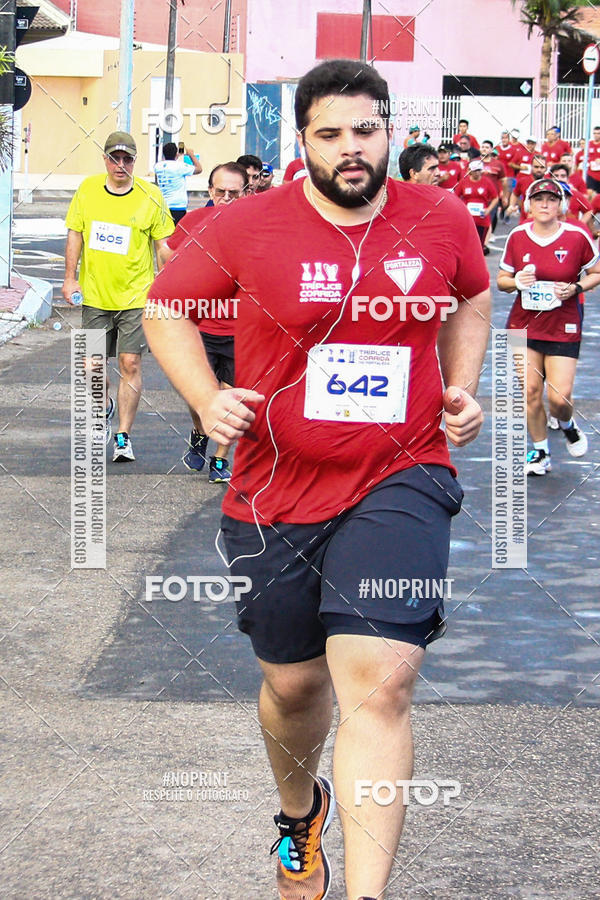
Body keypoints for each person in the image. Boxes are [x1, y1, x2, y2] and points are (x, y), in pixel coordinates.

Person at [144, 58, 490, 900]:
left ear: (389, 132)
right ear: (302, 141)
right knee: (295, 685)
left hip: (401, 471)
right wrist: (207, 396)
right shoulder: (245, 225)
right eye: (329, 133)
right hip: (275, 489)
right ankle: (301, 819)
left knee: (381, 679)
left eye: (365, 130)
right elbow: (165, 308)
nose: (350, 148)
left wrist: (461, 383)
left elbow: (474, 298)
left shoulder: (440, 217)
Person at [62, 131, 173, 462]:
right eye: (115, 158)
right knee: (92, 366)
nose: (120, 165)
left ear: (134, 161)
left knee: (130, 361)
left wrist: (168, 289)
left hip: (136, 296)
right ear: (106, 160)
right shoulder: (88, 190)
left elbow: (163, 246)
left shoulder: (150, 195)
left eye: (127, 159)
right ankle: (104, 407)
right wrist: (69, 279)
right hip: (95, 295)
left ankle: (123, 435)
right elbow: (75, 234)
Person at [498, 178, 600, 475]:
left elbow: (596, 272)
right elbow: (502, 281)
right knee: (530, 391)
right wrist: (516, 281)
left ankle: (567, 424)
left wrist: (576, 287)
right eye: (539, 199)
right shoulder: (517, 236)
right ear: (529, 204)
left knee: (559, 398)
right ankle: (540, 452)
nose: (545, 204)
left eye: (551, 199)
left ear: (561, 206)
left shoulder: (576, 237)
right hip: (524, 325)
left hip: (562, 324)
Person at [165, 161, 247, 482]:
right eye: (221, 192)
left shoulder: (258, 227)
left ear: (245, 193)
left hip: (243, 330)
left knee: (231, 398)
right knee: (199, 397)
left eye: (234, 193)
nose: (226, 198)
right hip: (199, 327)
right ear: (210, 191)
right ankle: (199, 433)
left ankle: (219, 460)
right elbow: (169, 262)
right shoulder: (192, 223)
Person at [454, 158, 498, 253]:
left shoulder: (486, 182)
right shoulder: (464, 182)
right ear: (470, 171)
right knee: (466, 241)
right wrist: (461, 209)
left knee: (480, 244)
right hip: (468, 216)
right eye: (474, 171)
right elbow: (456, 196)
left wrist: (488, 210)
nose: (476, 173)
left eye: (478, 170)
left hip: (481, 217)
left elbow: (495, 197)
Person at [154, 141, 202, 223]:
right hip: (178, 207)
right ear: (176, 154)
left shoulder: (157, 166)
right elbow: (199, 169)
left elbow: (157, 180)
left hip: (163, 206)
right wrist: (191, 154)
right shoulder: (180, 166)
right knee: (179, 233)